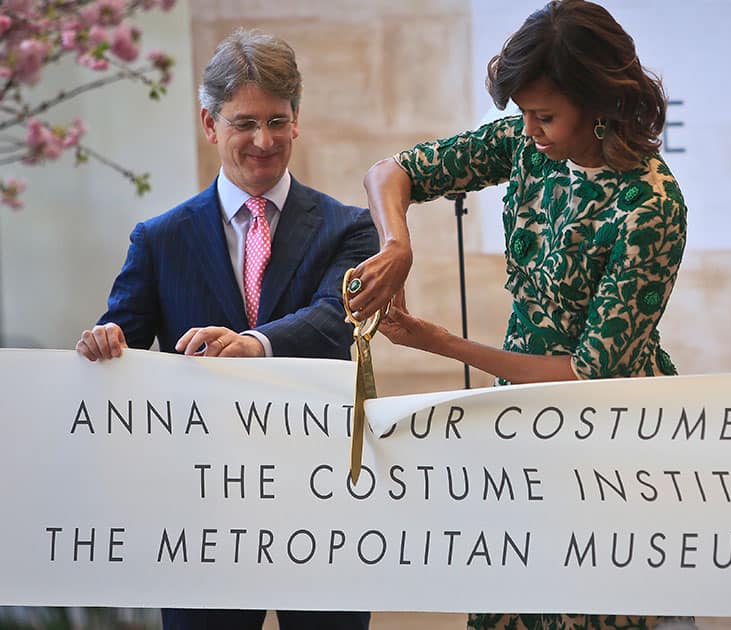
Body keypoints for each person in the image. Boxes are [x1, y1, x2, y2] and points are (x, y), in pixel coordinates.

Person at [351, 1, 690, 628]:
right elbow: (389, 173)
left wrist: (441, 342)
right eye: (524, 113)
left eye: (545, 115)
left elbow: (589, 373)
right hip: (519, 422)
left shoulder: (652, 206)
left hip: (610, 437)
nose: (530, 129)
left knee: (595, 604)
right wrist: (397, 244)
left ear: (600, 103)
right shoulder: (526, 147)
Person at [74, 28, 376, 630]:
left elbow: (334, 319)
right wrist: (100, 340)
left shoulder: (351, 229)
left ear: (296, 121)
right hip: (198, 514)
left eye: (277, 121)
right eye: (244, 123)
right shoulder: (159, 240)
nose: (263, 141)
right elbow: (120, 336)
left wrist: (255, 345)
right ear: (210, 125)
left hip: (321, 508)